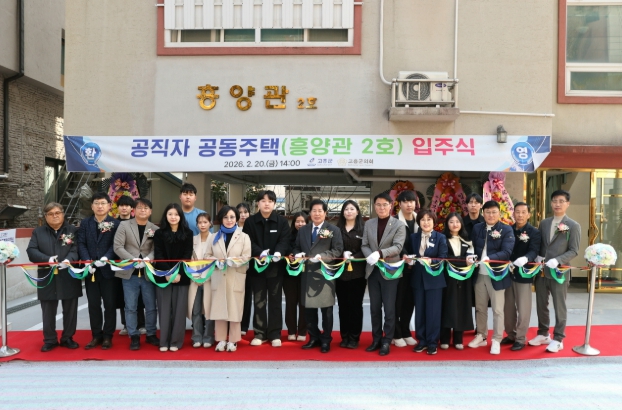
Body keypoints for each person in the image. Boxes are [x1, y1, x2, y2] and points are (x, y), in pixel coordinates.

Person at [529, 190, 580, 353]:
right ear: (551, 203)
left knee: (559, 306)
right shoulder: (544, 223)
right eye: (554, 201)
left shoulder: (573, 225)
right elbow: (541, 244)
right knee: (541, 304)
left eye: (561, 201)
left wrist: (558, 260)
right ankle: (543, 333)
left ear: (567, 204)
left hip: (559, 273)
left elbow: (574, 250)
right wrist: (537, 257)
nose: (557, 204)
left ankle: (558, 338)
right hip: (542, 271)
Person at [27, 203, 81, 352]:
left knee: (70, 309)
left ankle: (67, 338)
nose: (55, 216)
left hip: (68, 274)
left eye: (57, 213)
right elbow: (31, 250)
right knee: (48, 310)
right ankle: (50, 339)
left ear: (63, 214)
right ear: (46, 217)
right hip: (47, 275)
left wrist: (68, 260)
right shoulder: (38, 232)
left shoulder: (72, 230)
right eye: (50, 214)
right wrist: (47, 259)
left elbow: (76, 248)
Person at [292, 199, 343, 353]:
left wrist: (323, 256)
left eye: (320, 211)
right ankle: (313, 337)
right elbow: (296, 247)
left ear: (325, 213)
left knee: (326, 311)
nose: (317, 214)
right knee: (309, 310)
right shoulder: (303, 230)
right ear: (310, 213)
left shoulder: (333, 229)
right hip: (307, 274)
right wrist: (297, 254)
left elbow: (337, 250)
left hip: (324, 274)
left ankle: (326, 339)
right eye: (314, 211)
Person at [242, 190, 291, 347]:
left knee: (275, 301)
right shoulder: (250, 222)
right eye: (263, 201)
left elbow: (285, 240)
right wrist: (259, 252)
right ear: (258, 203)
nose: (266, 204)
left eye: (270, 201)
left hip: (276, 268)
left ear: (274, 204)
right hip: (257, 268)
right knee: (259, 301)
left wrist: (279, 252)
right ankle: (260, 333)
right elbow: (248, 241)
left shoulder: (282, 222)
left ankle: (275, 334)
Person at [361, 192, 406, 356]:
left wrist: (379, 253)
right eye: (378, 205)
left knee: (389, 308)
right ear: (374, 206)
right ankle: (376, 339)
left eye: (385, 205)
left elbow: (398, 247)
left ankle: (387, 340)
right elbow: (364, 244)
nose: (381, 208)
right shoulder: (369, 223)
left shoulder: (398, 225)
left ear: (391, 206)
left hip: (390, 271)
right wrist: (370, 256)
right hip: (373, 271)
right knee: (374, 308)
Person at [467, 200, 515, 355]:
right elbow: (471, 246)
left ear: (499, 213)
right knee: (480, 307)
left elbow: (507, 252)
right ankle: (481, 335)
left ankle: (497, 339)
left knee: (498, 309)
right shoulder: (477, 228)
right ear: (483, 213)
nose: (491, 215)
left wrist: (490, 258)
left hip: (497, 274)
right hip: (479, 274)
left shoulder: (506, 229)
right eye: (487, 212)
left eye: (494, 212)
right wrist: (470, 256)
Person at [112, 198, 160, 350]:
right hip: (129, 272)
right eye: (139, 207)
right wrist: (133, 259)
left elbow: (156, 249)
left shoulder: (154, 228)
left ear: (150, 211)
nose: (142, 210)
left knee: (151, 306)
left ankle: (151, 333)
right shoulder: (124, 225)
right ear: (134, 210)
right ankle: (133, 335)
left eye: (146, 208)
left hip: (148, 272)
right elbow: (118, 246)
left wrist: (147, 259)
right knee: (130, 306)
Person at [77, 192, 120, 350]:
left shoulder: (115, 224)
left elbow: (116, 245)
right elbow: (81, 243)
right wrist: (87, 260)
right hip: (91, 271)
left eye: (103, 203)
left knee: (110, 304)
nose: (100, 206)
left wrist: (106, 258)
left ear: (109, 206)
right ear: (92, 206)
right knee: (93, 305)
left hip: (108, 270)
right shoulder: (85, 223)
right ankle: (96, 335)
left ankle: (108, 336)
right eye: (97, 203)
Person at [206, 206, 252, 352]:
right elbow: (207, 255)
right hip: (219, 276)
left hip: (235, 275)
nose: (229, 220)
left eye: (232, 217)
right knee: (219, 308)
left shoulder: (244, 236)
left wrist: (233, 261)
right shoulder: (214, 237)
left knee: (234, 309)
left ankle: (233, 340)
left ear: (236, 218)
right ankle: (221, 339)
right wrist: (216, 261)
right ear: (221, 219)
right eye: (225, 217)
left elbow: (247, 256)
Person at [153, 203, 193, 352]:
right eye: (170, 214)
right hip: (163, 277)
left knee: (179, 310)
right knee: (164, 310)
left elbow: (187, 255)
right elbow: (158, 255)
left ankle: (176, 341)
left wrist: (177, 273)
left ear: (180, 216)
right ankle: (164, 341)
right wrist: (168, 274)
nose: (173, 217)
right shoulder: (159, 233)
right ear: (166, 216)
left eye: (176, 214)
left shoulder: (188, 233)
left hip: (181, 277)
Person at [407, 209, 448, 355]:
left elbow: (443, 257)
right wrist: (409, 259)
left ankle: (432, 342)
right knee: (420, 312)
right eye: (423, 220)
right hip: (417, 279)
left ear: (434, 222)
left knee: (433, 312)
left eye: (429, 219)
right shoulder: (413, 237)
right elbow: (410, 254)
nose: (426, 222)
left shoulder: (440, 237)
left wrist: (431, 261)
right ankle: (422, 340)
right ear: (419, 222)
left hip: (434, 279)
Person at [502, 202, 541, 351]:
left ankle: (520, 338)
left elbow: (534, 250)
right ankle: (511, 334)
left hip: (523, 274)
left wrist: (526, 258)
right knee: (508, 307)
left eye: (523, 212)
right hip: (507, 273)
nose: (520, 215)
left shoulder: (534, 232)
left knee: (523, 308)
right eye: (517, 212)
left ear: (528, 215)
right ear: (513, 214)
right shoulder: (508, 229)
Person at [440, 213, 474, 350]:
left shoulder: (467, 240)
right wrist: (462, 260)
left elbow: (471, 257)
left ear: (461, 224)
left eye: (457, 222)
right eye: (451, 222)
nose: (455, 224)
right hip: (447, 277)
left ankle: (458, 339)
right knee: (447, 306)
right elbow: (444, 257)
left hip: (464, 278)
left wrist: (468, 261)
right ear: (447, 224)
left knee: (461, 306)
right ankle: (444, 338)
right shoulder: (442, 239)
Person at [335, 201, 366, 349]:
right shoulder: (336, 229)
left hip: (358, 273)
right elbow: (333, 247)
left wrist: (354, 256)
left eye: (352, 209)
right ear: (343, 212)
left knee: (355, 306)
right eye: (346, 209)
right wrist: (342, 254)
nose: (349, 211)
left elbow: (367, 247)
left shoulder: (364, 229)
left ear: (357, 212)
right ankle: (344, 336)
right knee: (343, 306)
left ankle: (354, 337)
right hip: (340, 273)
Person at [114, 195, 146, 337]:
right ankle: (126, 324)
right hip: (121, 265)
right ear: (117, 208)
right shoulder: (114, 224)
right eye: (121, 205)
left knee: (139, 296)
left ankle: (141, 323)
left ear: (132, 208)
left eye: (127, 205)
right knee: (123, 296)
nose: (124, 208)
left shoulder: (137, 222)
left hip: (139, 264)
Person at [393, 190, 419, 347]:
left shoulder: (421, 219)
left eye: (412, 201)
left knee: (410, 301)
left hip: (415, 268)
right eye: (406, 201)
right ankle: (395, 334)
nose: (409, 204)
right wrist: (404, 255)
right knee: (397, 301)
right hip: (399, 267)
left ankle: (406, 331)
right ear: (400, 204)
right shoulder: (394, 221)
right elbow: (393, 242)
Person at [187, 212, 216, 348]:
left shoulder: (215, 239)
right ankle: (197, 337)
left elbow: (216, 261)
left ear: (210, 224)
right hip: (195, 279)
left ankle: (209, 337)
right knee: (196, 310)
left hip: (210, 279)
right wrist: (196, 277)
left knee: (209, 310)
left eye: (205, 222)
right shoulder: (192, 240)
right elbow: (189, 261)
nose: (202, 225)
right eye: (200, 222)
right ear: (197, 225)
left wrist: (205, 277)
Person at [282, 212, 308, 342]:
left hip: (305, 274)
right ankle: (291, 331)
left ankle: (302, 331)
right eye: (297, 221)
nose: (300, 224)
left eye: (303, 221)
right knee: (290, 303)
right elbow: (284, 247)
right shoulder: (288, 235)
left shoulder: (309, 236)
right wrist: (289, 254)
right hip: (290, 274)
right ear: (293, 223)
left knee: (304, 304)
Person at [237, 202, 253, 335]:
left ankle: (244, 326)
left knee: (247, 297)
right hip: (234, 269)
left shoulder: (252, 229)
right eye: (240, 212)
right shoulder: (232, 228)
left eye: (245, 212)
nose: (243, 215)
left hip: (249, 269)